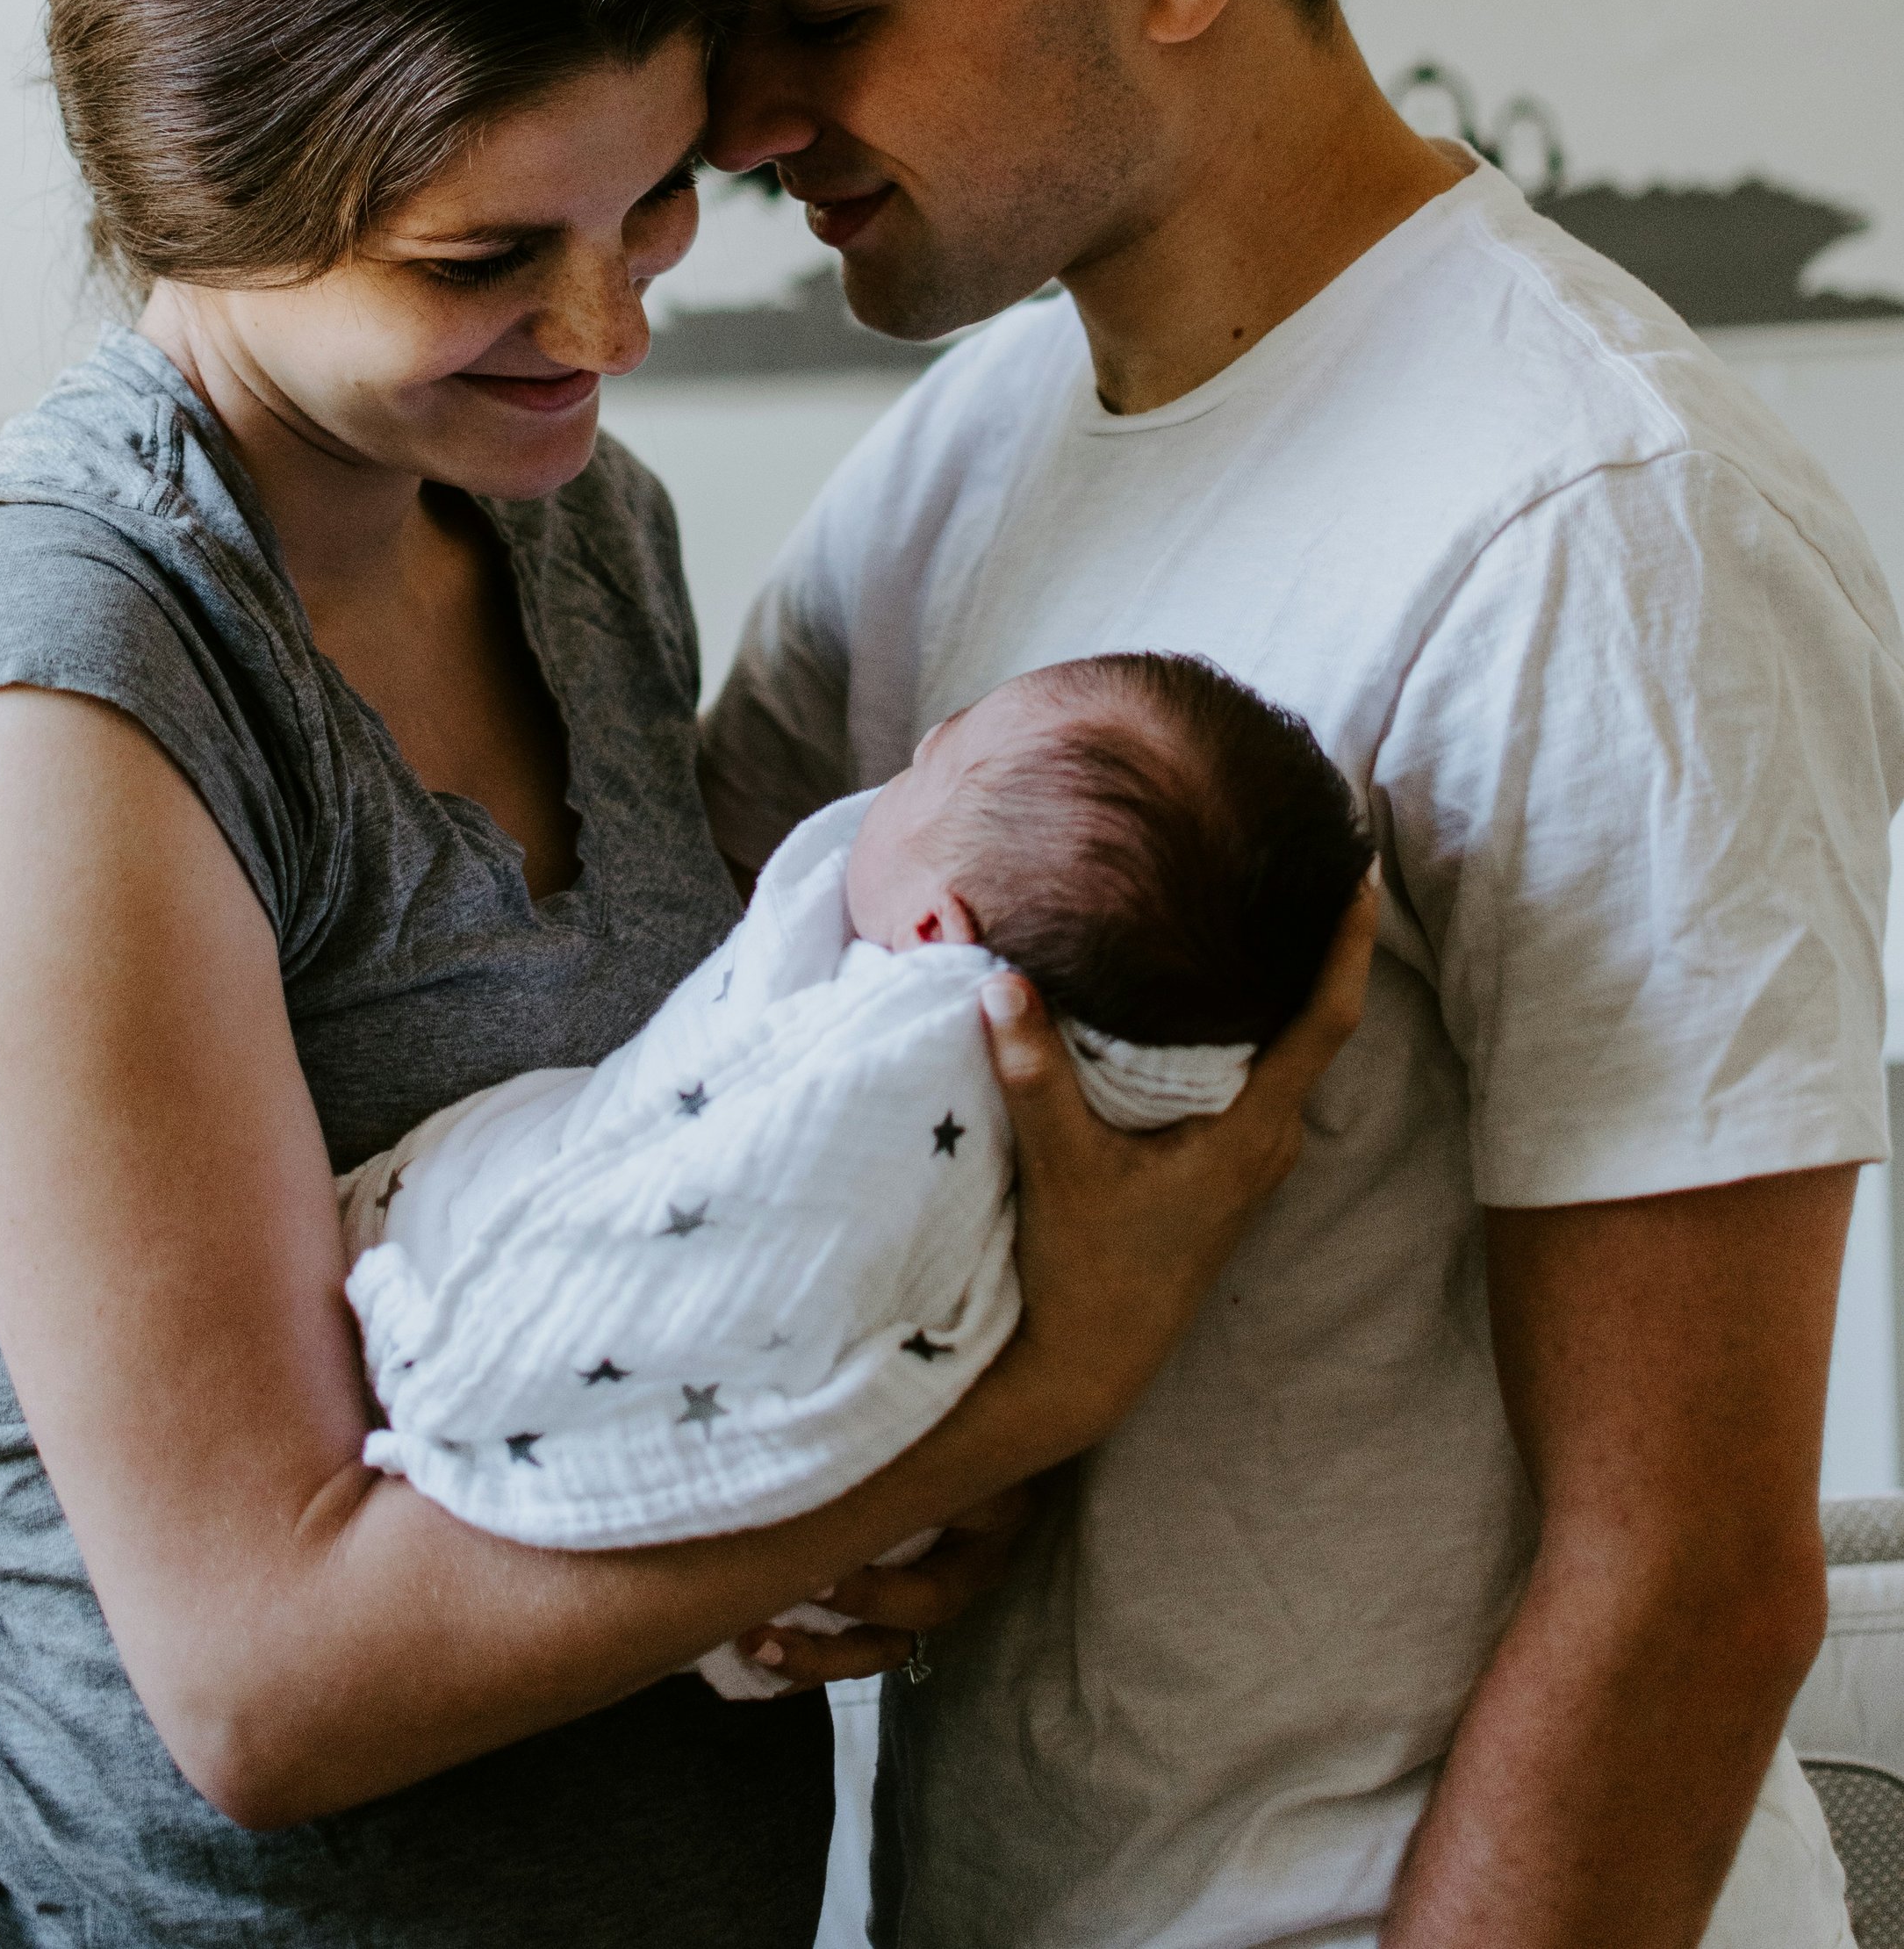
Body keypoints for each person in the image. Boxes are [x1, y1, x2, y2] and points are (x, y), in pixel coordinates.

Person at [0, 0, 1368, 1949]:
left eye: (649, 202)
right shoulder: (55, 689)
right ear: (194, 188)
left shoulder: (566, 523)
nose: (608, 329)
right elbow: (263, 1678)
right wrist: (1023, 1390)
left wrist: (854, 1509)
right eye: (480, 255)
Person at [597, 0, 1904, 1949]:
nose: (734, 119)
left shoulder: (1596, 523)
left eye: (814, 8)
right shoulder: (971, 438)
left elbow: (1684, 1579)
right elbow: (731, 1068)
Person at [339, 648, 1370, 1622]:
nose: (912, 755)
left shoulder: (899, 1065)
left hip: (553, 1507)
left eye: (938, 765)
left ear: (933, 932)